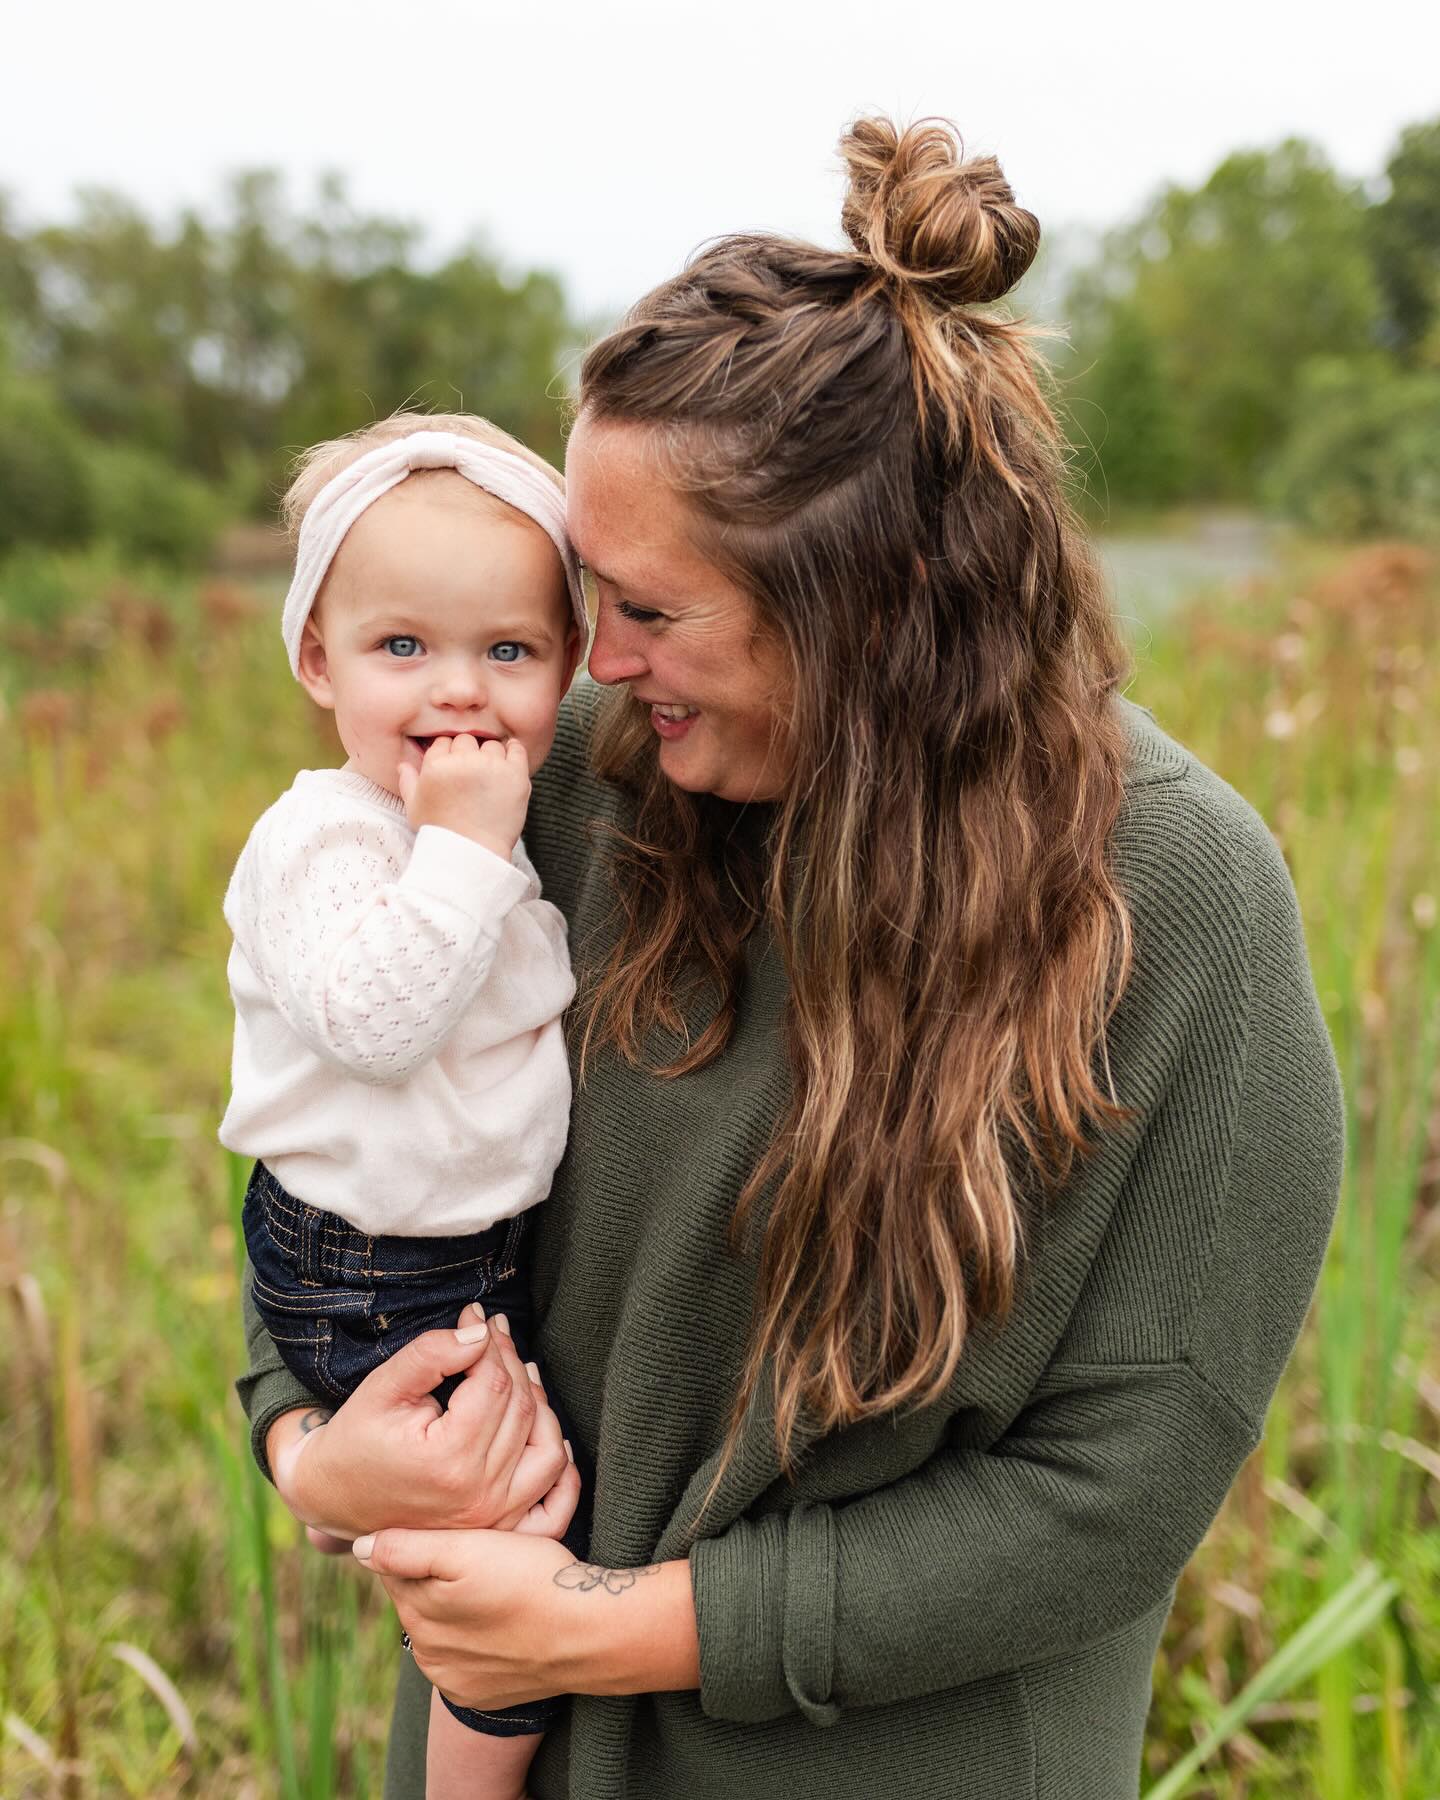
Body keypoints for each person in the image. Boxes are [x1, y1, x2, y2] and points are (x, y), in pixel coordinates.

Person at [237, 117, 1343, 1799]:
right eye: (586, 598)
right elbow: (334, 1133)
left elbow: (1109, 1499)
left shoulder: (1182, 904)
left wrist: (602, 1628)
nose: (591, 664)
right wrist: (319, 1457)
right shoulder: (566, 783)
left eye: (654, 612)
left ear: (874, 593)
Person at [221, 413, 589, 1799]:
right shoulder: (326, 837)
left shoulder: (478, 818)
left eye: (510, 650)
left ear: (571, 663)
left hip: (448, 1249)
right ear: (317, 659)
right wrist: (466, 845)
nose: (460, 692)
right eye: (402, 649)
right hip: (368, 1270)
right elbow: (375, 1025)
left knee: (513, 1513)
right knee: (513, 1542)